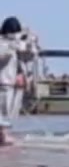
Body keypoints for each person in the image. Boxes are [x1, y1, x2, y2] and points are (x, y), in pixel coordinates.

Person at [0, 17, 37, 147]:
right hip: (3, 82)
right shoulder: (3, 43)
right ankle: (3, 136)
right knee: (3, 111)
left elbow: (30, 56)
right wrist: (12, 46)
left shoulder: (17, 45)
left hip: (12, 83)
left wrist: (30, 43)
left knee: (8, 112)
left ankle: (3, 135)